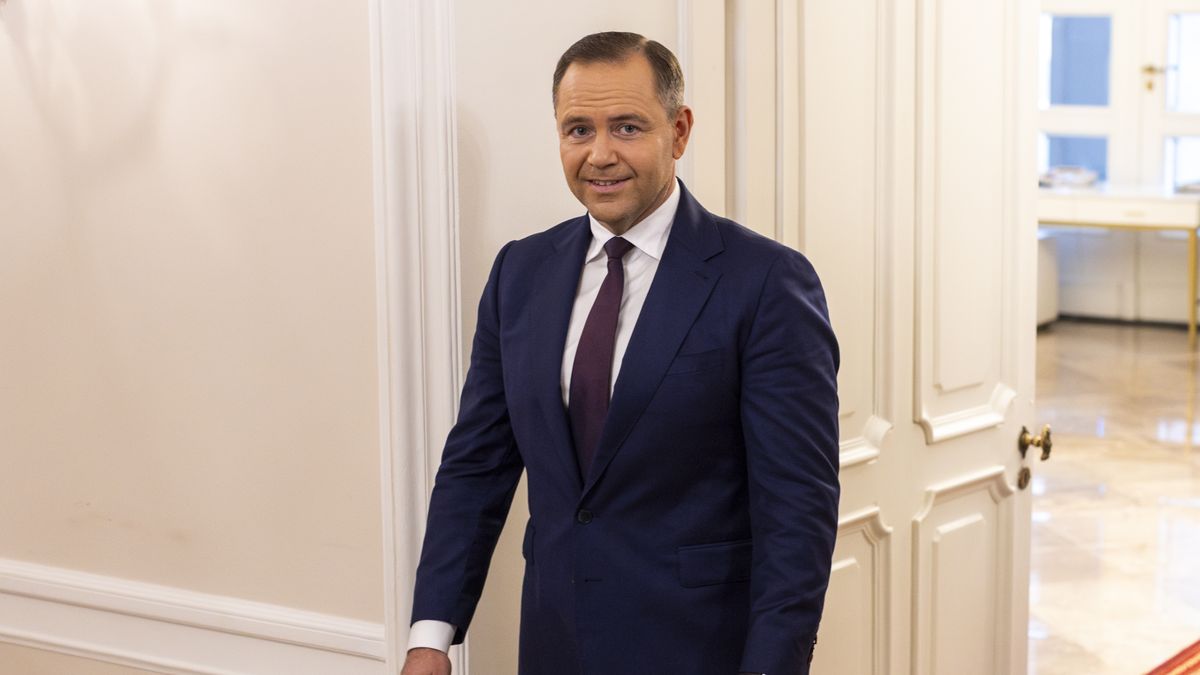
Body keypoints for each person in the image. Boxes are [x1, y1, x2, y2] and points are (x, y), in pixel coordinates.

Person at [401, 31, 840, 675]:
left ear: (679, 131)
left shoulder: (767, 282)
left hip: (701, 651)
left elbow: (796, 513)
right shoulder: (519, 272)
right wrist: (430, 636)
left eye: (627, 127)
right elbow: (476, 465)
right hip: (555, 645)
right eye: (578, 129)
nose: (600, 154)